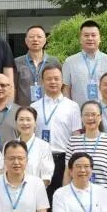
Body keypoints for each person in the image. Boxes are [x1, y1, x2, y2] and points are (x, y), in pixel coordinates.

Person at [32, 65, 82, 194]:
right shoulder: (34, 107)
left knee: (63, 197)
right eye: (49, 79)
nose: (53, 82)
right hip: (40, 158)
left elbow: (76, 136)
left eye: (56, 78)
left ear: (62, 81)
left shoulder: (72, 106)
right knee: (41, 197)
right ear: (42, 81)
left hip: (63, 159)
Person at [64, 101, 107, 196]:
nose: (90, 118)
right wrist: (65, 196)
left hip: (105, 196)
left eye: (94, 114)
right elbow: (67, 173)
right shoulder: (73, 141)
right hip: (78, 196)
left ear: (100, 117)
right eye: (86, 115)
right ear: (81, 118)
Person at [62, 20, 107, 105]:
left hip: (105, 111)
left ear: (100, 38)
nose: (90, 38)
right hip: (79, 111)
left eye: (93, 35)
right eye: (86, 35)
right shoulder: (70, 62)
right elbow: (66, 89)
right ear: (80, 39)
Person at [14, 25, 61, 107]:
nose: (35, 39)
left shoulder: (54, 62)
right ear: (26, 41)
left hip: (49, 109)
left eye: (39, 37)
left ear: (45, 40)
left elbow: (60, 87)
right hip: (24, 110)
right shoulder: (17, 62)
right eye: (31, 37)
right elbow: (12, 88)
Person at [15, 106, 54, 187]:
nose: (25, 123)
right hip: (12, 190)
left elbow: (46, 177)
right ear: (16, 123)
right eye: (21, 119)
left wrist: (35, 191)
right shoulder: (9, 145)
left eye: (28, 119)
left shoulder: (44, 146)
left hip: (35, 191)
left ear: (35, 123)